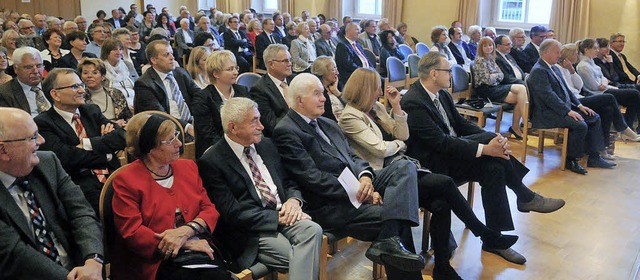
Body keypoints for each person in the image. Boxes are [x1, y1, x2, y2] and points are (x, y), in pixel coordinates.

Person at [338, 68, 522, 279]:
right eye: (375, 88)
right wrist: (400, 145)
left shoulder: (376, 108)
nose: (379, 91)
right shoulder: (349, 116)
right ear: (364, 89)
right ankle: (485, 233)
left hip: (401, 169)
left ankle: (443, 266)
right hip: (382, 176)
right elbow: (380, 148)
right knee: (444, 183)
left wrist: (396, 107)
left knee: (441, 203)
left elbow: (403, 134)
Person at [401, 52, 566, 263]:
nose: (451, 74)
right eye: (448, 71)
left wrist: (492, 140)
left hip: (451, 153)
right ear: (434, 74)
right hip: (434, 164)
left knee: (494, 168)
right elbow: (440, 143)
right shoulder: (414, 102)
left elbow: (460, 124)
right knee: (490, 148)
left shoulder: (441, 93)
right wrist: (484, 147)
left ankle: (494, 239)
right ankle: (524, 196)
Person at [272, 73, 427, 279]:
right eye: (317, 94)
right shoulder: (286, 131)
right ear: (299, 100)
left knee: (404, 166)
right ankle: (392, 242)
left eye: (322, 93)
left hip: (355, 186)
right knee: (394, 217)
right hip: (329, 204)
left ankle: (388, 240)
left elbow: (354, 157)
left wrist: (365, 178)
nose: (324, 98)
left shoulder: (327, 123)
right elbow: (312, 178)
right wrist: (358, 191)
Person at [197, 97, 324, 278]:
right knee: (301, 256)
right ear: (233, 127)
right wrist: (277, 218)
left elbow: (288, 181)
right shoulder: (212, 161)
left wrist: (294, 201)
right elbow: (232, 212)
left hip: (284, 213)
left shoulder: (267, 145)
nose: (262, 126)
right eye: (254, 121)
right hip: (252, 231)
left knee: (313, 230)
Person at [110, 112, 233, 280]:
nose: (179, 143)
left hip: (199, 249)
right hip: (155, 259)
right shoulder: (126, 180)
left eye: (176, 135)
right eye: (170, 140)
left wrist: (187, 231)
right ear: (149, 147)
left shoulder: (188, 167)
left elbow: (208, 209)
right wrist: (185, 243)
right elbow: (132, 233)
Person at [0, 107, 104, 280]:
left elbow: (81, 213)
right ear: (3, 150)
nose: (42, 140)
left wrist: (93, 260)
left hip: (80, 269)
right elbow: (15, 255)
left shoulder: (48, 163)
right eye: (32, 137)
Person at [34, 68, 126, 214]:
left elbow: (122, 137)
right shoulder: (43, 123)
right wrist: (106, 153)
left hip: (113, 174)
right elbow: (66, 158)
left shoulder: (91, 111)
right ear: (55, 94)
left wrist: (88, 144)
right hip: (80, 184)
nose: (82, 90)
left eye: (81, 85)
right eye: (75, 87)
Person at [528, 39, 615, 174]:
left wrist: (580, 106)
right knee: (580, 124)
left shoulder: (553, 67)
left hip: (558, 109)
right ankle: (571, 160)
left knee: (594, 117)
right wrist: (568, 111)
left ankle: (594, 157)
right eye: (557, 52)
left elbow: (567, 91)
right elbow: (548, 96)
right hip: (546, 113)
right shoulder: (539, 70)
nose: (559, 55)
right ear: (546, 52)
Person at [557, 43, 640, 149]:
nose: (577, 56)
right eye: (575, 54)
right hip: (577, 99)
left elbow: (581, 84)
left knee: (608, 109)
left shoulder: (572, 67)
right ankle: (624, 129)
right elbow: (579, 89)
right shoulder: (564, 68)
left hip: (581, 96)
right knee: (610, 97)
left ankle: (603, 148)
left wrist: (572, 71)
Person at [134, 40, 201, 136]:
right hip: (166, 131)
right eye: (166, 55)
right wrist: (186, 127)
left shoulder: (181, 73)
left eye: (172, 54)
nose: (172, 58)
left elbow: (199, 95)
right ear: (154, 60)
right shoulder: (144, 83)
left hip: (192, 123)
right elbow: (159, 115)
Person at [191, 50, 249, 157]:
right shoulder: (202, 98)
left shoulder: (243, 91)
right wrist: (234, 147)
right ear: (216, 73)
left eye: (236, 68)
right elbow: (207, 134)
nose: (236, 72)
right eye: (230, 69)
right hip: (216, 151)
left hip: (244, 145)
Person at [576, 38, 640, 134]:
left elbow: (604, 78)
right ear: (586, 50)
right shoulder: (583, 66)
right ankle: (627, 128)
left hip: (606, 88)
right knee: (635, 93)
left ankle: (628, 126)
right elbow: (595, 86)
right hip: (598, 92)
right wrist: (604, 82)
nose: (597, 50)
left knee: (635, 95)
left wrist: (604, 82)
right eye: (595, 48)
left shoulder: (592, 62)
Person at [472, 37, 527, 139]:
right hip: (486, 90)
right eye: (485, 46)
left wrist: (494, 76)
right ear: (481, 47)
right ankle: (524, 122)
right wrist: (495, 76)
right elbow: (488, 80)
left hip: (496, 87)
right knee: (521, 93)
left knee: (521, 92)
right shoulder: (479, 60)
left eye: (490, 45)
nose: (489, 48)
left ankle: (517, 126)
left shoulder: (491, 59)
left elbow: (501, 75)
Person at [250, 44, 293, 137]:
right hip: (284, 136)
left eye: (290, 60)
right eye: (285, 61)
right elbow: (271, 124)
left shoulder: (295, 80)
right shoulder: (259, 90)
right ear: (271, 64)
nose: (290, 64)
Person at [78, 58, 132, 126]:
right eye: (85, 73)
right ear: (81, 77)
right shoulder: (80, 97)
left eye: (94, 73)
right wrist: (114, 124)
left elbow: (128, 117)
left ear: (103, 77)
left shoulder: (116, 93)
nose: (89, 76)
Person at [0, 47, 50, 116]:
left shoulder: (52, 86)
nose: (35, 71)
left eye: (39, 66)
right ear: (15, 68)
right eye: (29, 67)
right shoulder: (4, 93)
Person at [335, 22, 374, 88]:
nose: (359, 32)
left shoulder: (358, 44)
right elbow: (348, 65)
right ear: (348, 31)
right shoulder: (342, 45)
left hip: (366, 74)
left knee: (381, 81)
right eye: (357, 30)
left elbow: (366, 60)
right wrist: (364, 71)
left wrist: (373, 70)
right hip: (354, 76)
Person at [101, 38, 138, 107]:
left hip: (135, 102)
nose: (119, 52)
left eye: (120, 49)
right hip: (115, 105)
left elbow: (138, 84)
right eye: (115, 49)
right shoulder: (100, 67)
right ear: (106, 52)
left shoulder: (128, 65)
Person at [311, 56, 345, 122]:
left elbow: (351, 107)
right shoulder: (317, 93)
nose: (337, 72)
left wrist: (336, 92)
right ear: (323, 72)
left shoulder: (339, 85)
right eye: (333, 69)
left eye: (336, 68)